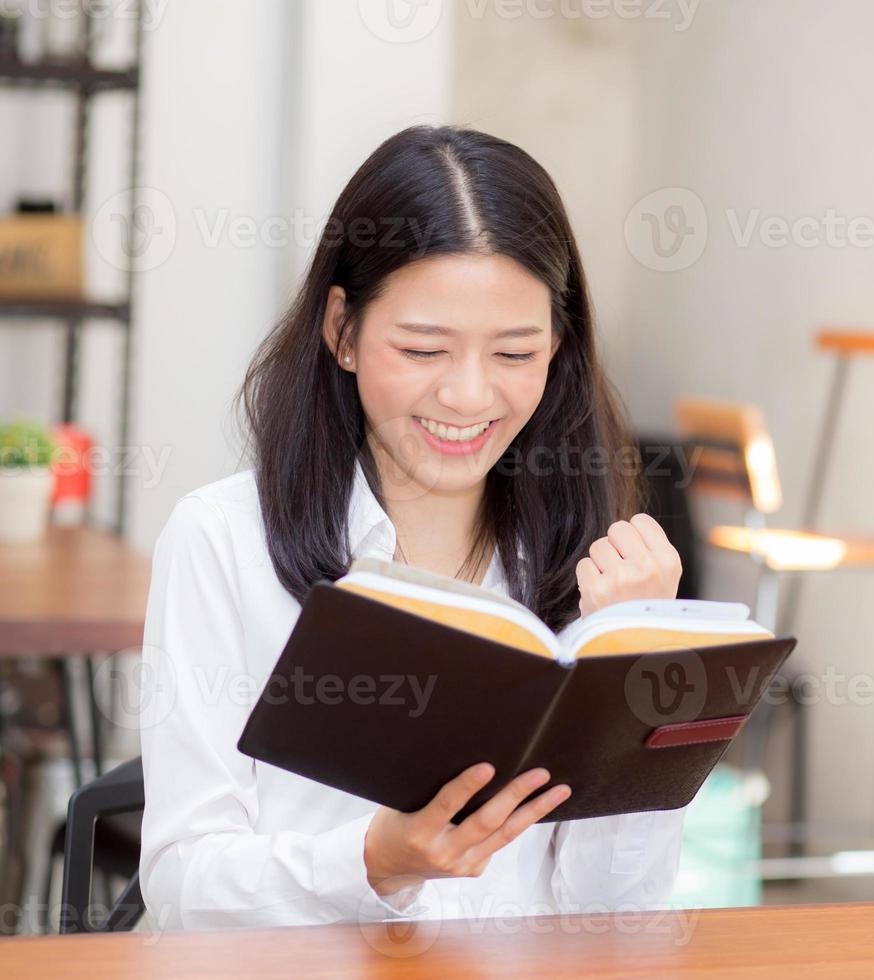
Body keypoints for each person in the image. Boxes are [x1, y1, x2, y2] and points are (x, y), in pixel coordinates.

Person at [137, 126, 686, 931]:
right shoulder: (223, 541)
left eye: (513, 352)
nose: (469, 397)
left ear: (559, 348)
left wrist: (636, 661)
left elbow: (611, 915)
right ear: (343, 331)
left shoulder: (589, 564)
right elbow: (183, 886)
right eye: (425, 349)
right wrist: (374, 861)